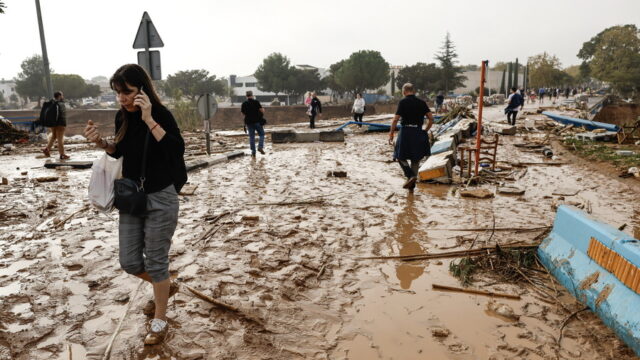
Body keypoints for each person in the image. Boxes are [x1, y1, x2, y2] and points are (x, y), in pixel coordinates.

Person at [83, 64, 187, 345]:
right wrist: (103, 144)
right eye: (118, 93)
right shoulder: (121, 117)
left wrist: (149, 118)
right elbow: (122, 152)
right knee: (129, 262)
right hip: (132, 196)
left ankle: (160, 320)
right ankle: (165, 285)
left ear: (142, 90)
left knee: (156, 262)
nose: (122, 99)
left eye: (127, 93)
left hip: (161, 196)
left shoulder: (160, 114)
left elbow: (176, 150)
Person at [388, 83, 433, 191]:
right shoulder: (422, 103)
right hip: (418, 131)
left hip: (405, 132)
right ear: (414, 91)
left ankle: (410, 176)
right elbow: (431, 119)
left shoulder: (403, 102)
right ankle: (411, 188)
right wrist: (425, 130)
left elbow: (395, 119)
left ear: (404, 91)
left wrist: (391, 133)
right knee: (415, 158)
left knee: (399, 156)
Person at [41, 91, 69, 159]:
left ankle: (47, 149)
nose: (63, 97)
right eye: (62, 95)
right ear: (59, 96)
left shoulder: (51, 103)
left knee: (54, 136)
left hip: (52, 124)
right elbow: (62, 115)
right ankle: (62, 154)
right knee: (60, 139)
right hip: (60, 124)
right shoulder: (60, 104)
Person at [241, 90, 266, 156]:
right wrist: (262, 111)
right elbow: (262, 111)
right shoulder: (256, 102)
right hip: (257, 121)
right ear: (252, 95)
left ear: (246, 96)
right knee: (262, 134)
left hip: (249, 122)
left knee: (252, 137)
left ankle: (253, 152)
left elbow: (243, 113)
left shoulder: (244, 104)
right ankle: (260, 147)